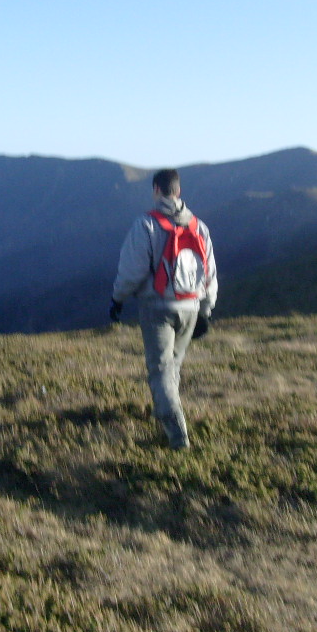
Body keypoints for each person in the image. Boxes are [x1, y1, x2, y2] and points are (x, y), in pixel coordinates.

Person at [110, 168, 218, 450]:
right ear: (178, 191)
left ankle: (177, 436)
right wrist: (206, 310)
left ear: (156, 190)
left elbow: (131, 271)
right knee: (173, 369)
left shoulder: (146, 224)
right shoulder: (198, 227)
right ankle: (166, 419)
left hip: (157, 308)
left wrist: (118, 299)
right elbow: (209, 273)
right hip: (191, 307)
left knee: (159, 371)